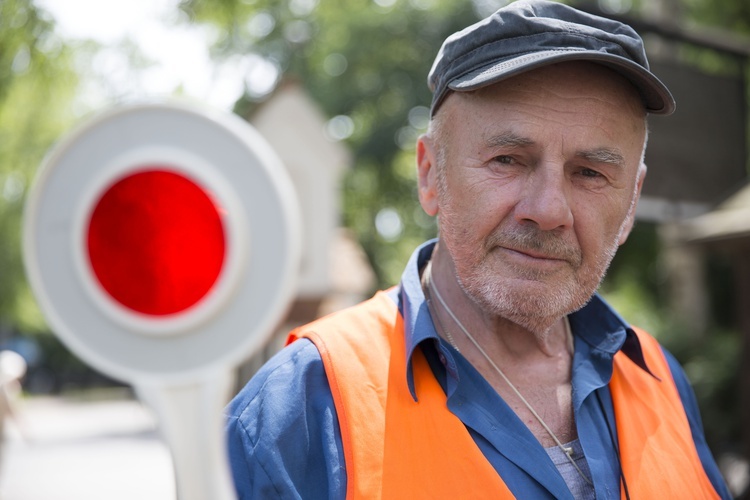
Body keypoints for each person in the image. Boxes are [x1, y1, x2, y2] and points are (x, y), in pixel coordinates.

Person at [225, 1, 732, 498]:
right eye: (508, 159)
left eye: (590, 173)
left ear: (631, 204)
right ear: (430, 176)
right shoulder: (298, 412)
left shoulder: (660, 378)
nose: (548, 209)